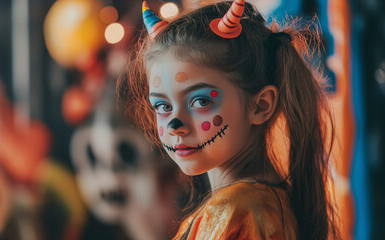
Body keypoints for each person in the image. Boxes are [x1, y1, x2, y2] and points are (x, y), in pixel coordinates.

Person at [118, 0, 340, 239]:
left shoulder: (236, 213)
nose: (175, 125)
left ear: (260, 105)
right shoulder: (260, 203)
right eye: (162, 106)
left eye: (201, 101)